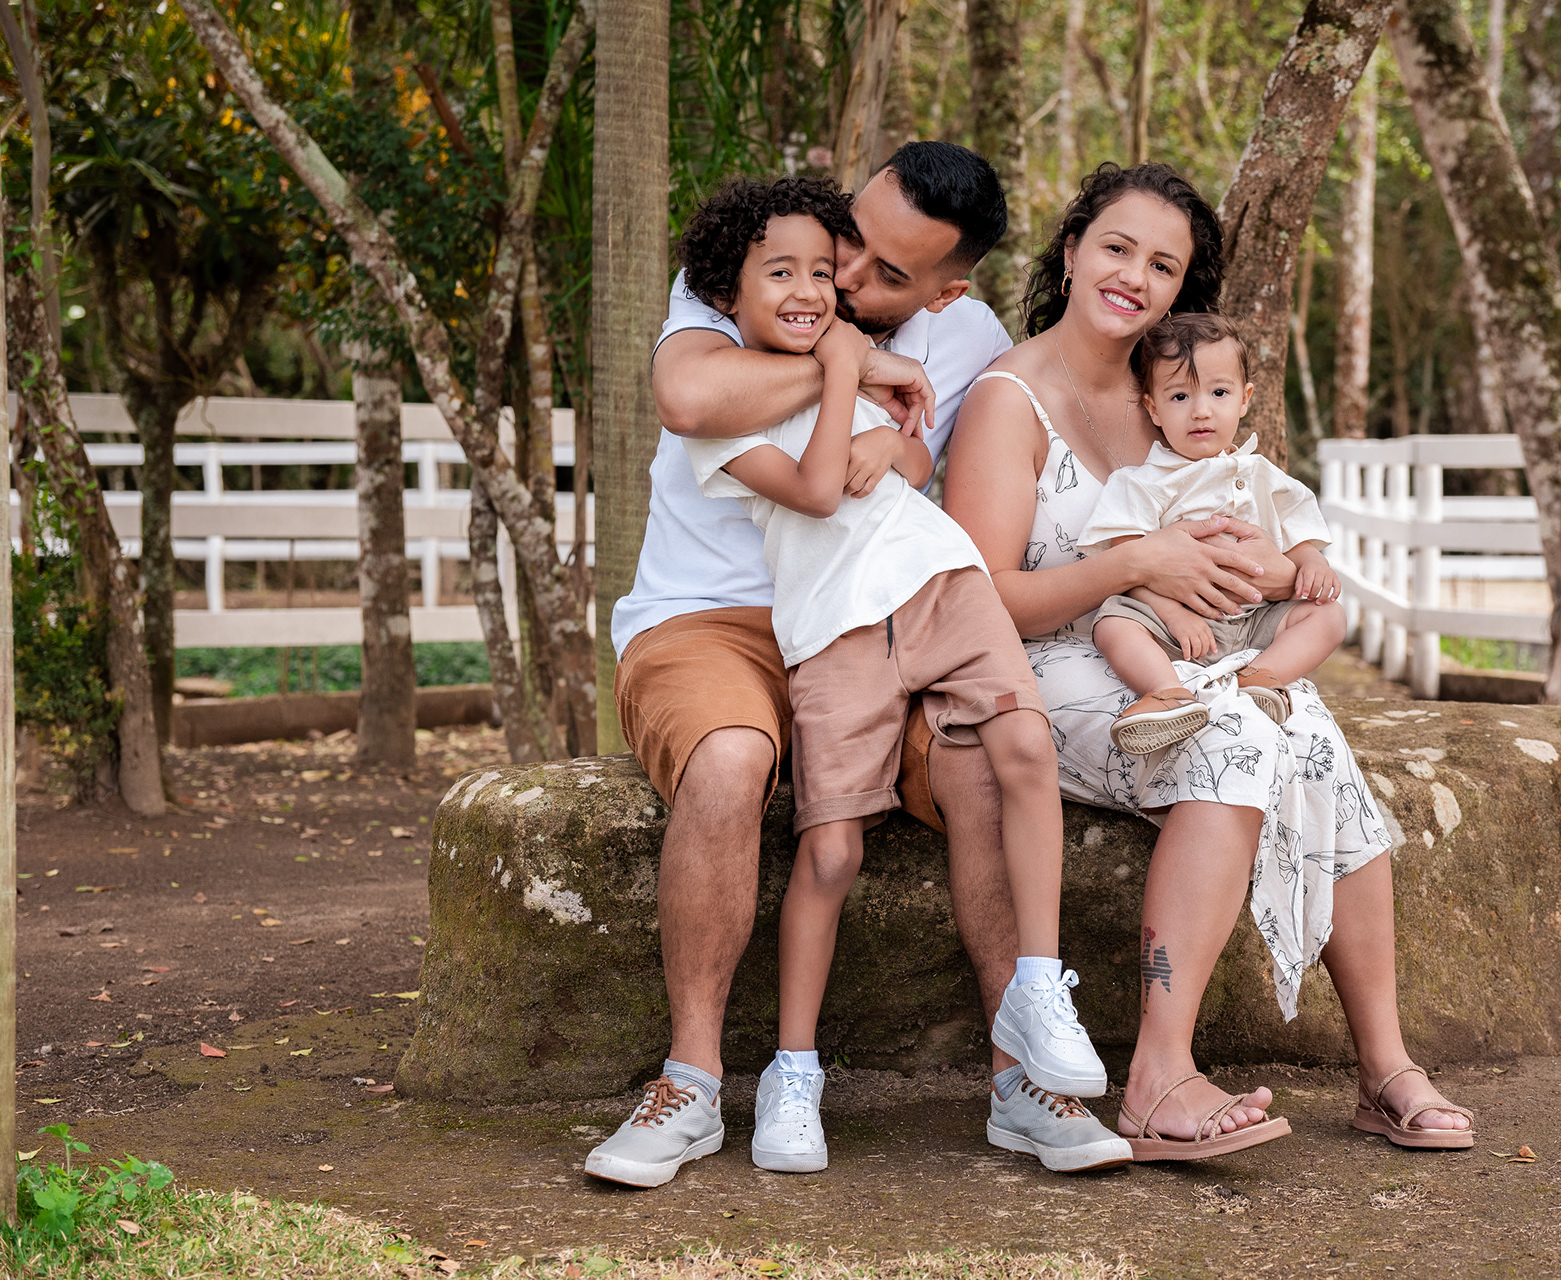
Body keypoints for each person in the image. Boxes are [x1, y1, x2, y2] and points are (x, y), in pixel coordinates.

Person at [585, 143, 1132, 1189]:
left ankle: (1023, 1081)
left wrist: (898, 436)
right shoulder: (754, 269)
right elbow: (690, 397)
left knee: (982, 757)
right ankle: (690, 1084)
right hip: (708, 621)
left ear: (944, 291)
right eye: (849, 237)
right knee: (731, 756)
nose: (838, 277)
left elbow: (926, 454)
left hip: (871, 614)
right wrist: (849, 357)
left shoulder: (968, 337)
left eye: (883, 273)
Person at [944, 162, 1476, 1159]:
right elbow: (979, 599)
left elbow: (1267, 546)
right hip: (1050, 660)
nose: (1134, 277)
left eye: (1163, 264)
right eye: (1116, 248)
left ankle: (1384, 1064)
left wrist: (1270, 570)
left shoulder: (1186, 393)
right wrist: (1136, 565)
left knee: (1312, 735)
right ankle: (1159, 1075)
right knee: (1234, 737)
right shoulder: (1008, 401)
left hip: (1198, 652)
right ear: (1071, 252)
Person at [1081, 312, 1348, 755]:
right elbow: (1126, 565)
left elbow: (1298, 535)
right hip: (1174, 626)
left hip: (1255, 620)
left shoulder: (1263, 475)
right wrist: (1173, 615)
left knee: (1329, 615)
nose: (1201, 410)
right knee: (1113, 622)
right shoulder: (1141, 483)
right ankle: (1166, 694)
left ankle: (1262, 677)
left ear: (1245, 399)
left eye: (1219, 393)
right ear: (1153, 408)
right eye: (1180, 396)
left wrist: (1312, 562)